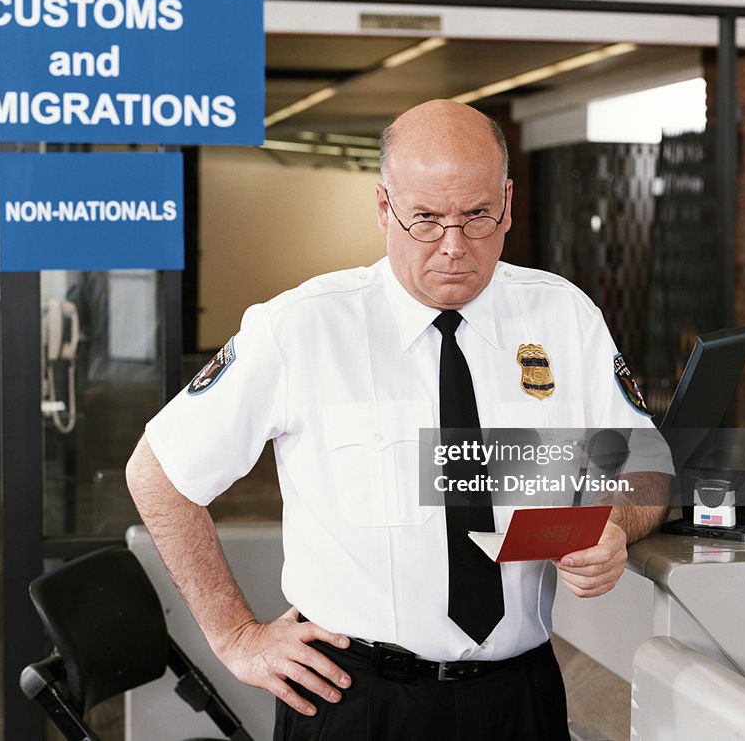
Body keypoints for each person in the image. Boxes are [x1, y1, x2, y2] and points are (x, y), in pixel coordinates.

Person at [126, 99, 671, 740]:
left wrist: (614, 523)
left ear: (509, 202)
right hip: (356, 701)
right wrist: (236, 636)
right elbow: (158, 474)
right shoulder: (300, 328)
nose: (454, 247)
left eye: (477, 217)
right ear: (384, 207)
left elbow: (645, 466)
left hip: (519, 697)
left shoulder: (563, 317)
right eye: (426, 219)